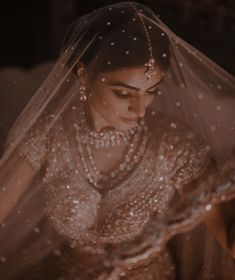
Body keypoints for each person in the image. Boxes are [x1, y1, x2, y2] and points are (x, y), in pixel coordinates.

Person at [0, 2, 235, 279]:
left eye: (151, 92)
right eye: (124, 93)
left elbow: (227, 233)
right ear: (83, 73)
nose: (140, 109)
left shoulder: (172, 142)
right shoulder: (49, 133)